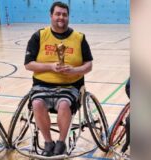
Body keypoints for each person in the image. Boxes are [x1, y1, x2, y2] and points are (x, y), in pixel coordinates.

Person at [24, 1, 93, 156]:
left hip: (70, 87)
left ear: (68, 17)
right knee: (37, 102)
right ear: (51, 15)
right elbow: (28, 64)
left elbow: (89, 65)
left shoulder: (79, 38)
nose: (61, 17)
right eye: (58, 14)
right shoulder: (39, 36)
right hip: (42, 86)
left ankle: (61, 142)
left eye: (64, 14)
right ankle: (48, 142)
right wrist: (50, 67)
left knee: (63, 104)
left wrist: (75, 70)